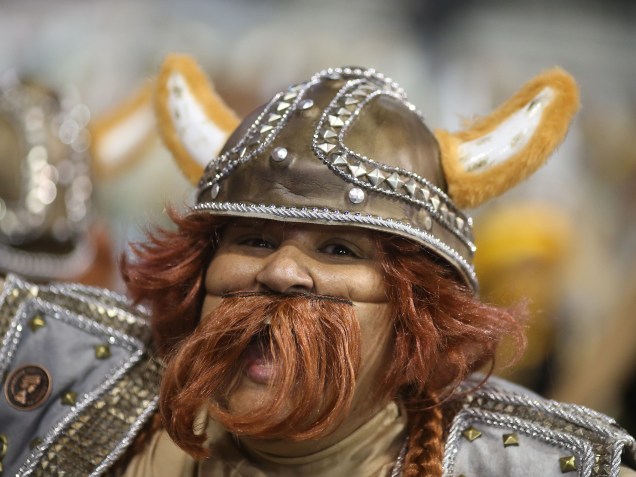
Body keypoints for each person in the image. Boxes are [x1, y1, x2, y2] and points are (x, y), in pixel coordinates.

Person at [0, 55, 634, 476]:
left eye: (339, 250)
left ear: (420, 312)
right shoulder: (55, 374)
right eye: (251, 239)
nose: (281, 273)